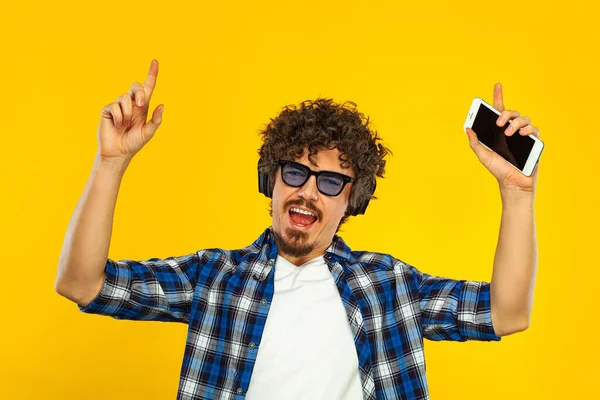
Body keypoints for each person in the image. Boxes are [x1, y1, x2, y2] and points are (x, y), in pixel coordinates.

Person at [55, 60, 540, 400]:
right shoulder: (215, 278)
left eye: (330, 181)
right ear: (271, 181)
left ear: (353, 200)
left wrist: (518, 196)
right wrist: (110, 162)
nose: (307, 192)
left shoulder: (387, 287)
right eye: (294, 172)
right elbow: (81, 283)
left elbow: (508, 312)